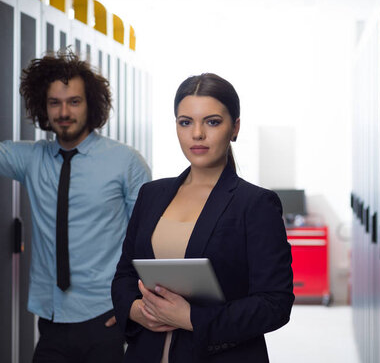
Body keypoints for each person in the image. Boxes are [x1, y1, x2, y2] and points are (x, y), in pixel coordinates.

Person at [0, 51, 151, 363]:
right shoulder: (31, 158)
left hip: (106, 317)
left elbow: (148, 238)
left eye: (74, 101)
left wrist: (132, 304)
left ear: (91, 104)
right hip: (52, 320)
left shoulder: (126, 162)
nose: (64, 111)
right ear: (43, 107)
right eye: (55, 102)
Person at [111, 73, 294, 362]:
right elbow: (124, 275)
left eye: (212, 121)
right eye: (186, 122)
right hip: (146, 351)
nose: (197, 133)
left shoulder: (256, 204)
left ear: (234, 128)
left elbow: (275, 303)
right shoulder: (151, 195)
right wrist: (137, 311)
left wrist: (193, 318)